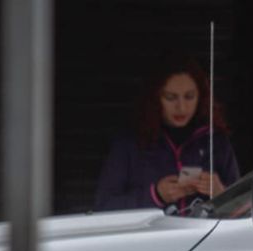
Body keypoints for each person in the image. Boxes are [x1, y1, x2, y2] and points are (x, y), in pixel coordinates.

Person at [94, 55, 240, 213]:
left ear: (201, 97)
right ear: (155, 98)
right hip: (152, 237)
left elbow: (242, 208)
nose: (181, 107)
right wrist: (155, 195)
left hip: (205, 236)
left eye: (189, 97)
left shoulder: (215, 141)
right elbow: (104, 206)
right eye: (171, 98)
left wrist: (221, 192)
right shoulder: (130, 142)